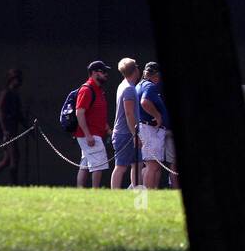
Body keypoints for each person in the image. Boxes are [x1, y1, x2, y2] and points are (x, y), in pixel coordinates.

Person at [73, 60, 111, 188]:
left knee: (85, 163)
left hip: (94, 133)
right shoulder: (87, 89)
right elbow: (80, 113)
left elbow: (98, 115)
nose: (106, 74)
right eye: (103, 71)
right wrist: (87, 134)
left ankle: (81, 192)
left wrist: (108, 130)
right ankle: (96, 193)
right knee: (98, 165)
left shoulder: (98, 90)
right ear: (94, 73)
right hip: (90, 135)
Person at [137, 62, 174, 190]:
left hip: (147, 129)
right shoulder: (150, 86)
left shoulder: (140, 85)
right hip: (150, 129)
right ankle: (148, 195)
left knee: (152, 165)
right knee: (152, 166)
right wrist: (158, 116)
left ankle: (150, 193)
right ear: (156, 75)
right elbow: (144, 102)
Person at [111, 58, 142, 189]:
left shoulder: (123, 85)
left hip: (125, 133)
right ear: (135, 70)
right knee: (121, 166)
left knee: (137, 164)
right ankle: (115, 197)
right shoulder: (129, 88)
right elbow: (129, 114)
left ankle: (135, 194)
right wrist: (135, 135)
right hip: (126, 134)